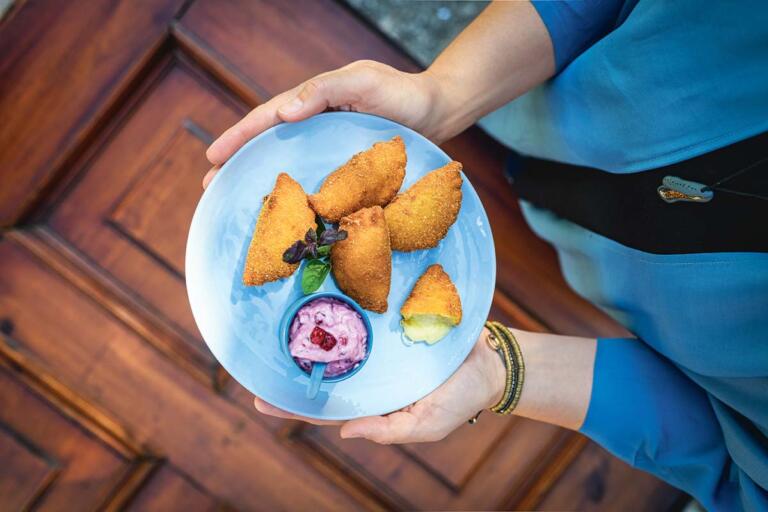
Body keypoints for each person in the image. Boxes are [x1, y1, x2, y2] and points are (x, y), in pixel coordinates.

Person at [203, 2, 768, 510]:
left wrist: (502, 372)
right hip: (523, 99)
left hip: (555, 252)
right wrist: (443, 96)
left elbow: (739, 473)